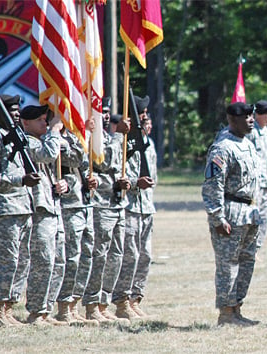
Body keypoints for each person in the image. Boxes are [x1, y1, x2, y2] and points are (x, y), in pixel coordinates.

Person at [0, 94, 41, 328]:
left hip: (23, 207)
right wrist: (21, 179)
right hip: (4, 209)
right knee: (7, 260)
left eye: (17, 109)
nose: (16, 113)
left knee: (21, 260)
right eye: (10, 110)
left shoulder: (17, 138)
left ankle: (8, 309)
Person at [202, 102, 260, 326]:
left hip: (249, 212)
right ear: (232, 120)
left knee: (246, 262)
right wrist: (217, 217)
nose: (251, 120)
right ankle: (226, 313)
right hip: (231, 212)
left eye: (251, 116)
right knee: (228, 264)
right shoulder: (222, 148)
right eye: (246, 117)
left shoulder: (248, 144)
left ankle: (236, 309)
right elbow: (212, 185)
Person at [82, 97, 132, 323]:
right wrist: (119, 135)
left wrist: (126, 181)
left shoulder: (110, 138)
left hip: (117, 202)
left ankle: (104, 303)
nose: (104, 116)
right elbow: (102, 162)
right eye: (100, 111)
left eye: (107, 112)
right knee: (99, 256)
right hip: (101, 204)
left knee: (116, 257)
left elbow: (121, 165)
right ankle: (91, 304)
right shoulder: (92, 138)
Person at [19, 105, 68, 325]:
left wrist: (61, 184)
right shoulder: (25, 142)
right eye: (40, 120)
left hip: (52, 208)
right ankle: (36, 311)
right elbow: (48, 154)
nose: (45, 123)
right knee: (43, 261)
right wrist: (55, 131)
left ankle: (46, 309)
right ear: (25, 122)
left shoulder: (42, 141)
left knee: (58, 262)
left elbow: (49, 168)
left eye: (46, 120)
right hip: (38, 210)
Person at [112, 95, 154, 320]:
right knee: (130, 255)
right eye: (142, 112)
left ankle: (136, 298)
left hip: (146, 207)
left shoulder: (147, 141)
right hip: (129, 206)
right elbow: (116, 174)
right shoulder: (122, 142)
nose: (146, 116)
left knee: (145, 256)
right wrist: (137, 183)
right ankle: (121, 300)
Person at [56, 122, 98, 325]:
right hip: (69, 205)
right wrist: (86, 137)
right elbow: (73, 157)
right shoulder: (56, 139)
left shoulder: (73, 138)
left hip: (84, 202)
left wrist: (91, 179)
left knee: (86, 256)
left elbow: (82, 165)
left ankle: (74, 303)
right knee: (71, 257)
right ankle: (63, 305)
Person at [246, 100, 267, 253]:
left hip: (266, 183)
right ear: (258, 115)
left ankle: (256, 248)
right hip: (254, 184)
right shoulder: (250, 133)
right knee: (253, 217)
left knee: (264, 217)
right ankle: (248, 248)